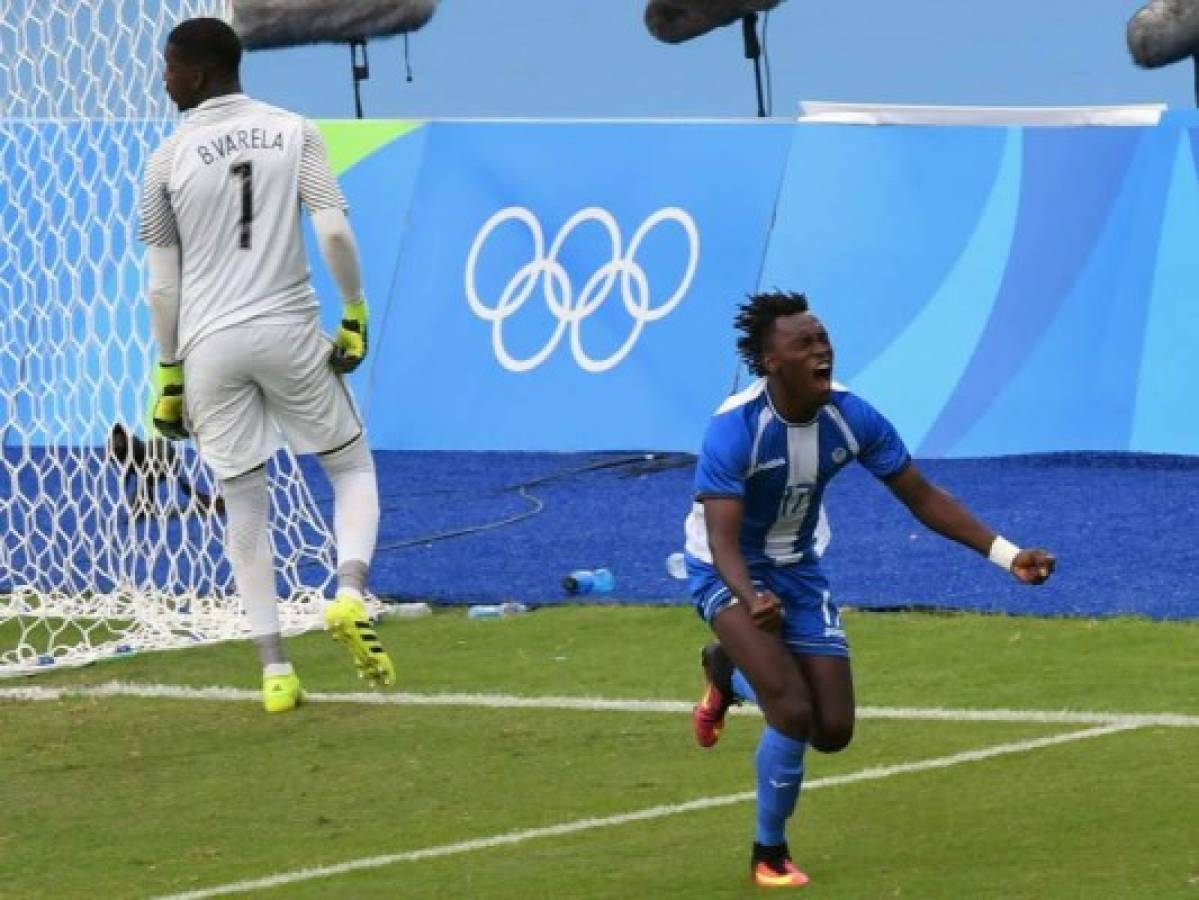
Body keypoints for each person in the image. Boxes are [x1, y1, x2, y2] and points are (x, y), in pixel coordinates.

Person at [684, 291, 1055, 888]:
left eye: (823, 337)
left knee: (833, 731)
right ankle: (768, 853)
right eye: (803, 342)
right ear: (771, 361)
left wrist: (1007, 555)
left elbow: (923, 497)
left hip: (799, 572)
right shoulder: (735, 429)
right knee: (792, 711)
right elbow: (723, 541)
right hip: (724, 572)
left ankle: (725, 673)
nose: (821, 348)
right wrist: (750, 597)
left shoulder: (852, 417)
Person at [138, 17, 394, 713]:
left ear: (198, 72)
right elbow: (334, 229)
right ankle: (346, 592)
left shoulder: (165, 160)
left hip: (209, 347)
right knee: (349, 467)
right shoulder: (295, 130)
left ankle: (275, 670)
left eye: (169, 66)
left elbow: (162, 286)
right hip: (287, 328)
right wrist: (353, 312)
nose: (163, 78)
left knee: (243, 502)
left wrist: (169, 375)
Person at [107, 422, 225, 518]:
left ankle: (208, 501)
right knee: (148, 486)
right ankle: (144, 504)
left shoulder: (133, 447)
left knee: (179, 481)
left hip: (162, 460)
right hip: (154, 465)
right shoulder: (122, 449)